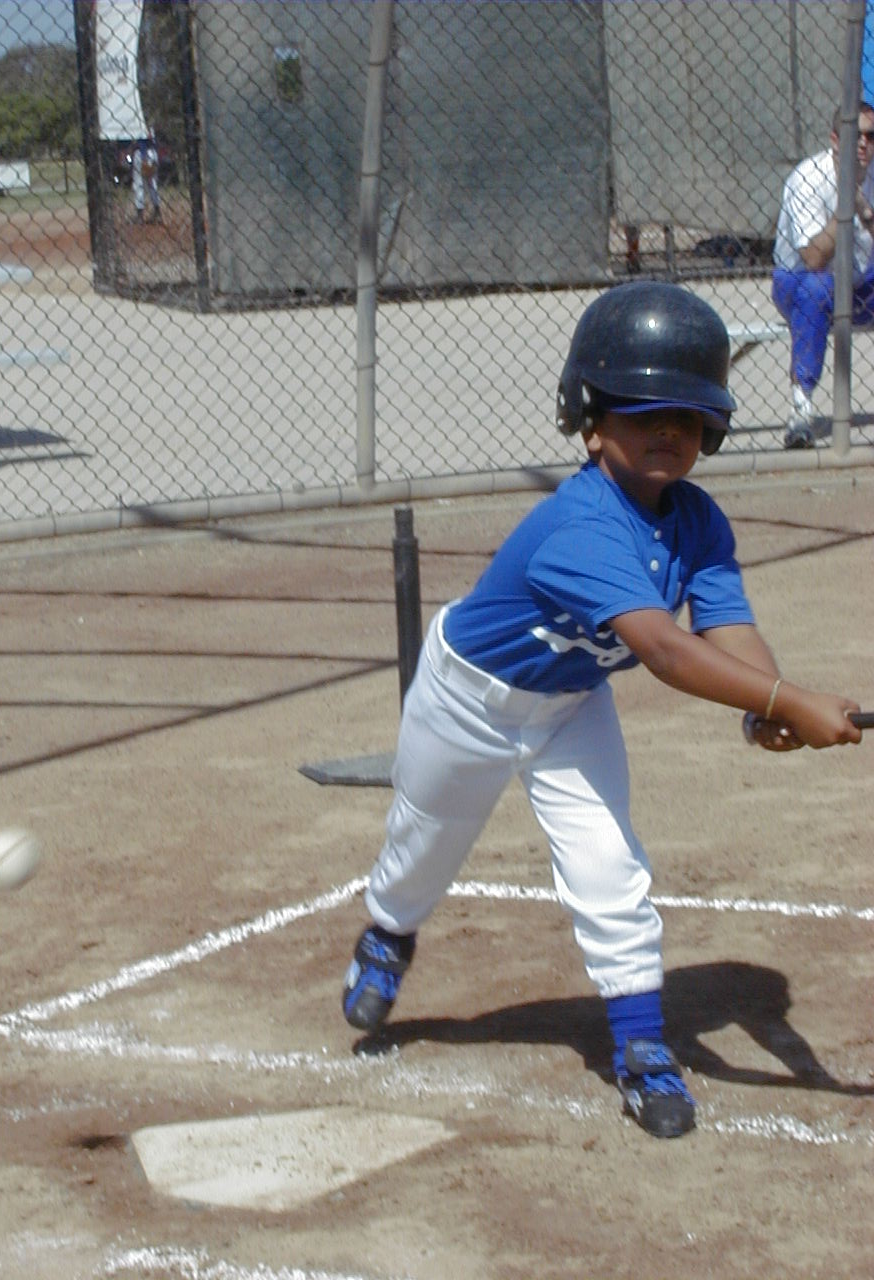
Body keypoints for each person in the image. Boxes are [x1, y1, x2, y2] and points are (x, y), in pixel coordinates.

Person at [340, 281, 862, 1140]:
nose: (667, 431)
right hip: (466, 699)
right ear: (589, 423)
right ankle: (389, 934)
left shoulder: (697, 520)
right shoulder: (579, 524)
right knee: (423, 844)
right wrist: (789, 702)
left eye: (687, 417)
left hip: (568, 707)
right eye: (641, 412)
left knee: (610, 866)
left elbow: (727, 626)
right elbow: (664, 650)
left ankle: (642, 1048)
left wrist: (766, 707)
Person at [772, 103, 874, 448]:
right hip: (798, 281)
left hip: (859, 283)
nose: (863, 143)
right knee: (817, 289)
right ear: (834, 139)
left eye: (871, 136)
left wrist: (866, 211)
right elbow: (813, 258)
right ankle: (801, 410)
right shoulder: (808, 179)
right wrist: (848, 204)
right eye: (854, 135)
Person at [131, 135, 161, 224]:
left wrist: (144, 157)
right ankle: (157, 212)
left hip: (142, 153)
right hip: (153, 153)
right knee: (152, 184)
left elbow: (142, 140)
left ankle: (139, 216)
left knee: (139, 185)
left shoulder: (139, 126)